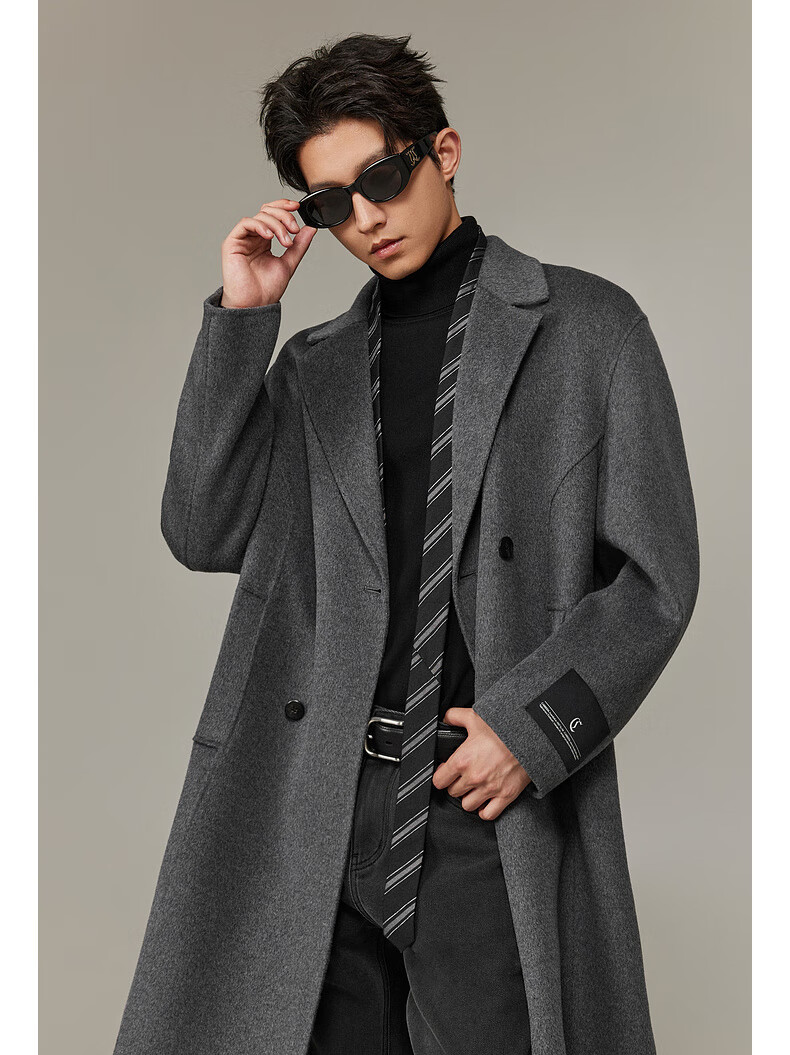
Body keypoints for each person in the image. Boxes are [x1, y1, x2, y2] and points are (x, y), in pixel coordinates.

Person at [112, 32, 699, 1055]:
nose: (367, 218)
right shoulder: (314, 367)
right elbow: (203, 527)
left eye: (381, 178)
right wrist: (244, 316)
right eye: (332, 202)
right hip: (316, 802)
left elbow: (656, 580)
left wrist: (531, 729)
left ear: (444, 152)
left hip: (478, 797)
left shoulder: (590, 330)